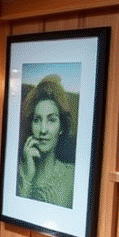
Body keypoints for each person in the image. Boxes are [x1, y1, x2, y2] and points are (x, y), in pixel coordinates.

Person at [16, 74, 76, 208]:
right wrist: (27, 178)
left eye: (51, 120)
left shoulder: (73, 176)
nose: (43, 130)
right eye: (37, 120)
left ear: (61, 127)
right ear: (30, 125)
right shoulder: (17, 172)